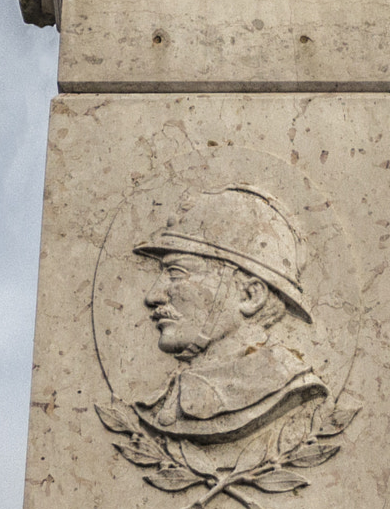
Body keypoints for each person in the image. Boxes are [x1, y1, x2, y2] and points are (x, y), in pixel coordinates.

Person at [132, 186, 328, 443]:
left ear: (250, 296)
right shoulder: (164, 400)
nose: (154, 296)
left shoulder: (289, 388)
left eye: (176, 274)